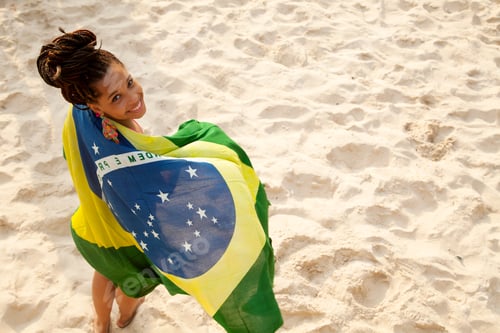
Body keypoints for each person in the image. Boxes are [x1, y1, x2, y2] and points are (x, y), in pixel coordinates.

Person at [37, 29, 283, 333]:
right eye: (117, 97)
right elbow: (156, 185)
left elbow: (71, 154)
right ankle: (124, 316)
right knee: (134, 281)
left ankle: (101, 323)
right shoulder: (129, 133)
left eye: (129, 82)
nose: (133, 97)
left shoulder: (79, 112)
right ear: (97, 107)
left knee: (105, 272)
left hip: (97, 223)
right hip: (124, 230)